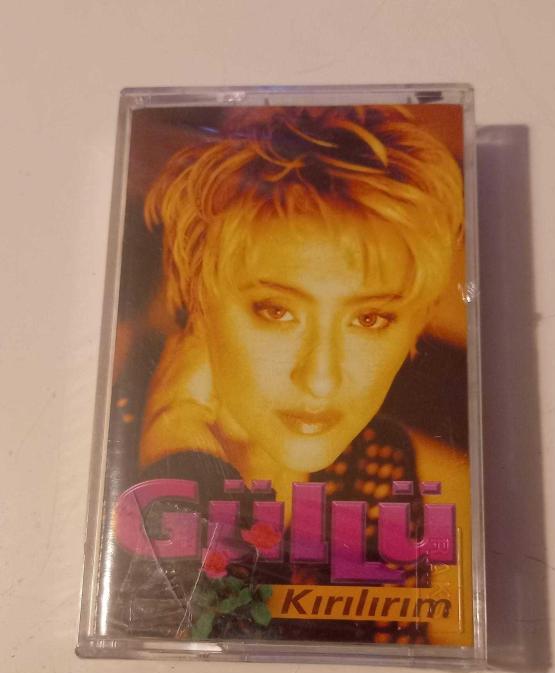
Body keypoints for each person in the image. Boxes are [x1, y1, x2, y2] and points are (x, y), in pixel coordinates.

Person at [113, 105, 465, 643]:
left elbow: (391, 667)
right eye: (276, 311)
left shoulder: (377, 460)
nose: (321, 379)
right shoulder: (108, 450)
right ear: (197, 293)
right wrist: (175, 446)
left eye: (371, 318)